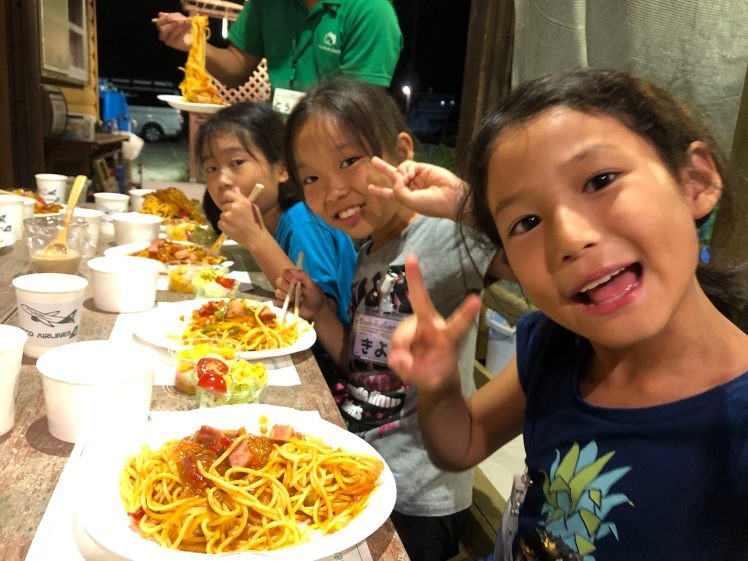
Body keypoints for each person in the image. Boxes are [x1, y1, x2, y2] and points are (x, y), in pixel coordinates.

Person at [384, 69, 748, 560]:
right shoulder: (555, 346)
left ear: (695, 181)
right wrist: (440, 382)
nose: (570, 238)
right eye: (527, 222)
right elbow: (461, 443)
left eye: (600, 180)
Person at [275, 77, 503, 561]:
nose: (333, 189)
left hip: (421, 495)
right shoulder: (367, 255)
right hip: (361, 471)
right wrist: (317, 312)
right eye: (311, 178)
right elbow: (357, 365)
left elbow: (533, 264)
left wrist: (468, 207)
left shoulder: (446, 237)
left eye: (349, 160)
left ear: (402, 152)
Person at [197, 101, 356, 329]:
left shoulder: (304, 222)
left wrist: (255, 237)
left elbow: (317, 314)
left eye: (237, 162)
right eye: (212, 168)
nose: (222, 180)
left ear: (281, 168)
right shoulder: (275, 220)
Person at [155, 0, 403, 103]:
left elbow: (357, 108)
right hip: (282, 142)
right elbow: (237, 66)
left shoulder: (371, 11)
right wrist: (194, 43)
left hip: (344, 155)